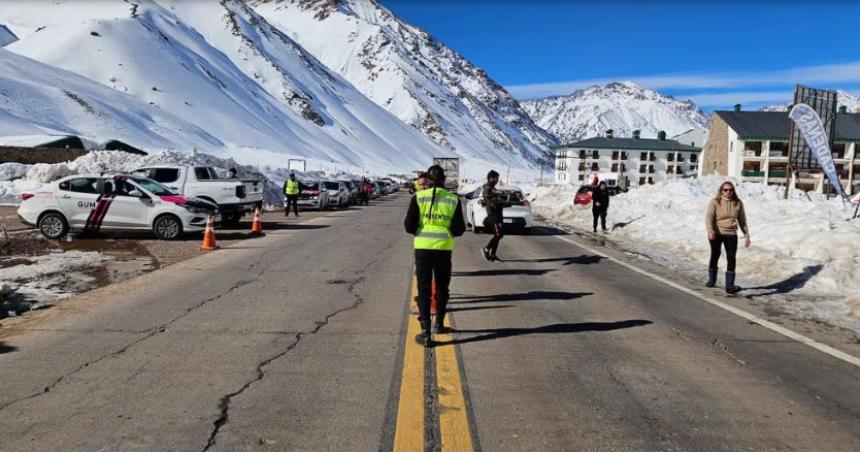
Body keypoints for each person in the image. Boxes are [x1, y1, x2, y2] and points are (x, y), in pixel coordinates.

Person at [404, 164, 466, 347]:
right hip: (444, 248)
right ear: (444, 180)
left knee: (424, 290)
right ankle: (439, 324)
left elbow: (409, 226)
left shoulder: (418, 197)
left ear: (428, 181)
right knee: (442, 287)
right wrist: (446, 231)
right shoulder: (453, 199)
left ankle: (425, 333)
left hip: (422, 247)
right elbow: (459, 228)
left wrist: (422, 230)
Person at [705, 181, 751, 294]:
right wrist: (710, 230)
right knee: (715, 254)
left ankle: (729, 286)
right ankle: (712, 280)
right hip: (717, 232)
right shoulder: (715, 202)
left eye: (730, 190)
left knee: (731, 258)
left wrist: (747, 235)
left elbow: (742, 220)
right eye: (725, 190)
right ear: (721, 191)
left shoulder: (738, 203)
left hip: (731, 234)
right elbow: (709, 217)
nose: (728, 192)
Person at [481, 170, 504, 262]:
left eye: (497, 178)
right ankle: (486, 249)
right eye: (495, 178)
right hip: (493, 215)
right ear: (490, 178)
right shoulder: (488, 188)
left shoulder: (493, 188)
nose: (496, 180)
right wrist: (494, 203)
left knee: (498, 235)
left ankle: (493, 255)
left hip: (498, 214)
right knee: (499, 234)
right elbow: (489, 200)